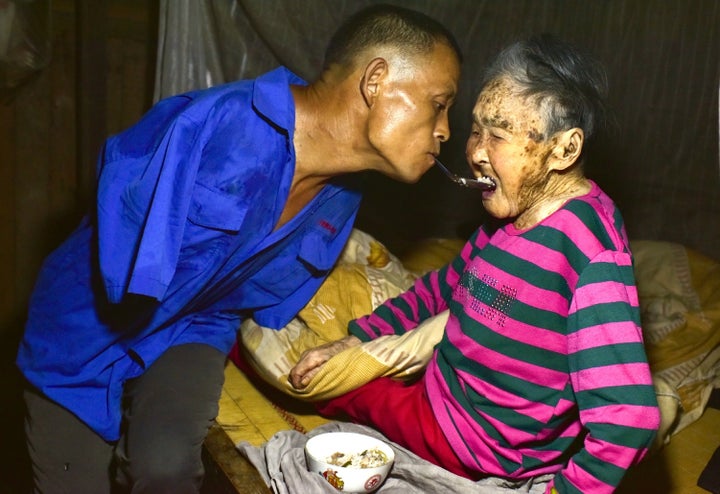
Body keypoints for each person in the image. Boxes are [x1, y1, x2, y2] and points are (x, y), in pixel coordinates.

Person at [16, 5, 462, 493]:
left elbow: (260, 300)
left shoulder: (342, 197)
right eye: (439, 103)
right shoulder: (213, 125)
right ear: (376, 80)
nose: (444, 129)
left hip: (194, 326)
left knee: (168, 472)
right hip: (88, 329)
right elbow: (124, 229)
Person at [290, 34, 660, 493]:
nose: (476, 151)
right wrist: (359, 336)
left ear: (564, 150)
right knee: (338, 360)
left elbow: (628, 420)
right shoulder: (506, 217)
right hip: (443, 393)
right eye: (476, 129)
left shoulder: (589, 256)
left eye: (498, 135)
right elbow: (441, 288)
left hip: (472, 443)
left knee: (317, 381)